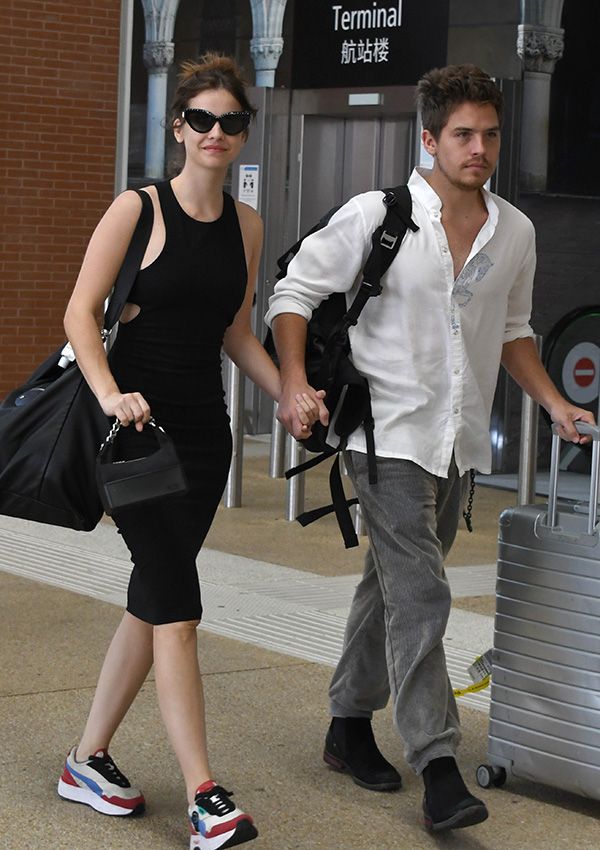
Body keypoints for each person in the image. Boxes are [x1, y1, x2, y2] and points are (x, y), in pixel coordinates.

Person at [265, 63, 595, 833]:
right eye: (462, 135)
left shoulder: (516, 231)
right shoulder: (379, 215)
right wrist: (289, 380)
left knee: (393, 586)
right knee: (423, 592)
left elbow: (514, 331)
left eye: (489, 135)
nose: (478, 149)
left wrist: (553, 404)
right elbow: (294, 294)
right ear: (429, 139)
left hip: (458, 437)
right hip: (382, 433)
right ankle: (439, 765)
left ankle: (348, 723)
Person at [57, 54, 318, 850]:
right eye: (200, 119)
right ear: (178, 127)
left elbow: (236, 332)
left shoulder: (246, 225)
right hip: (132, 438)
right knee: (179, 609)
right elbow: (78, 313)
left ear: (243, 133)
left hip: (204, 439)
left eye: (230, 122)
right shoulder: (136, 209)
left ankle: (85, 759)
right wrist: (110, 394)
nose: (215, 133)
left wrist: (286, 391)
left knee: (154, 596)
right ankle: (207, 797)